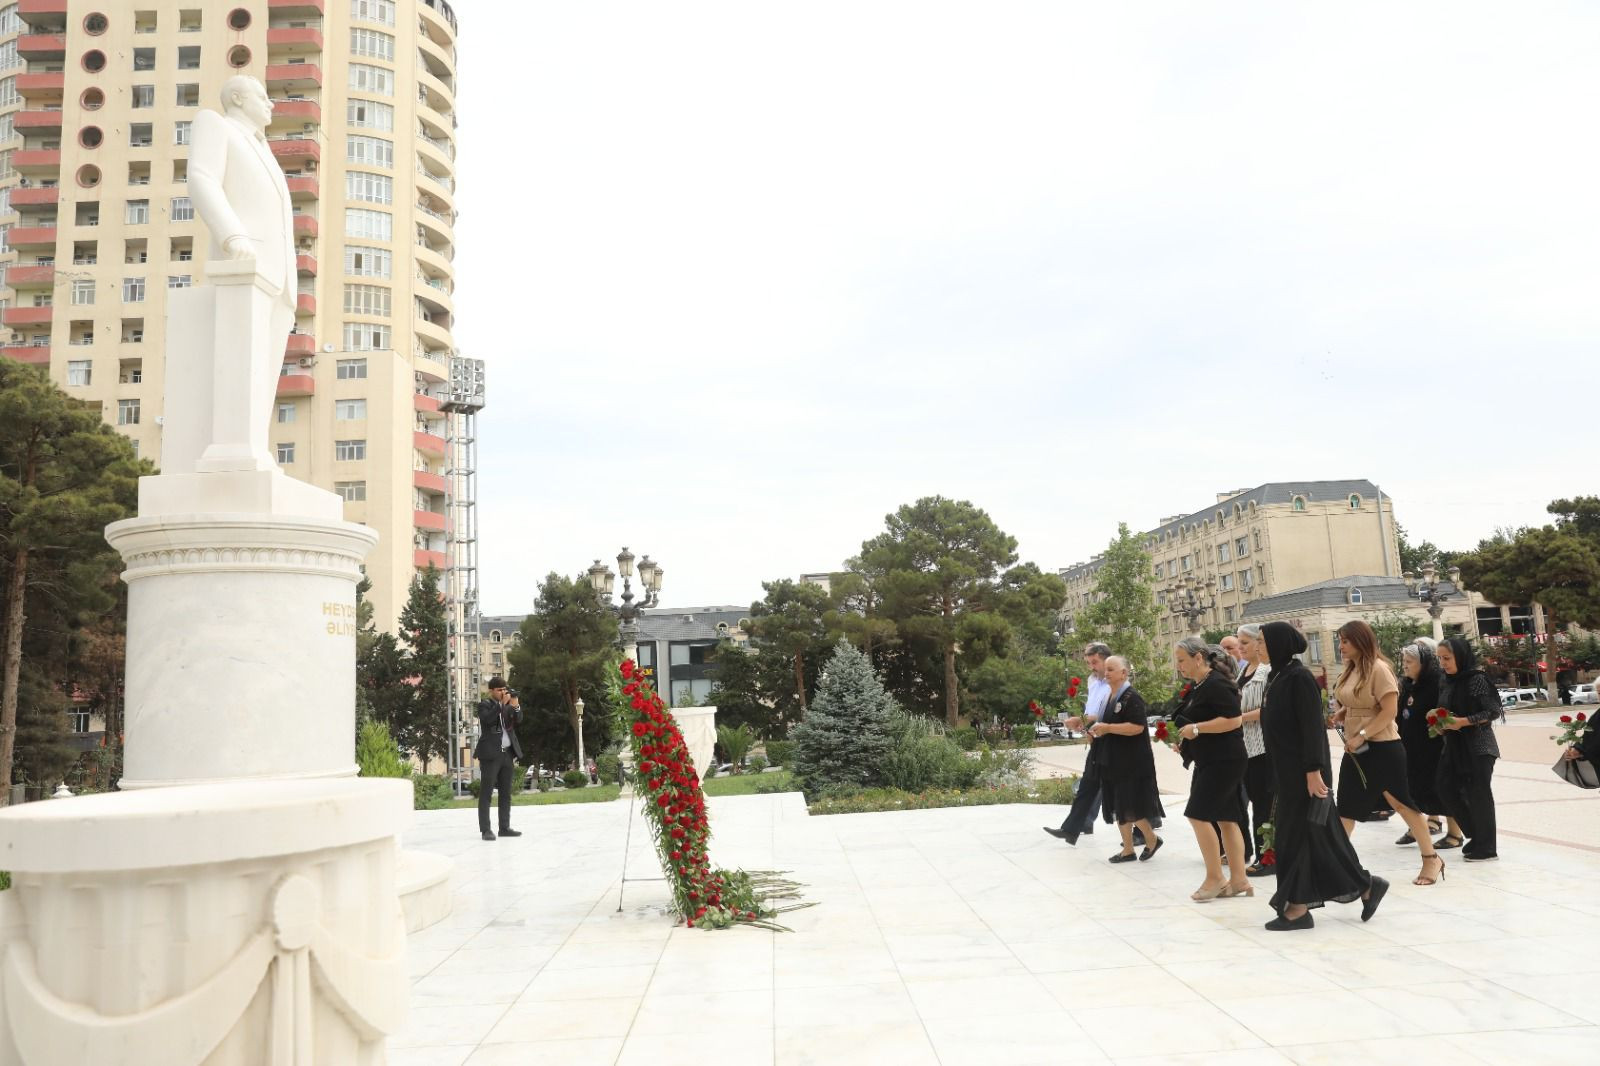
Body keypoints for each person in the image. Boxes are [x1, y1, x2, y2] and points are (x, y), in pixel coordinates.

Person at [1258, 621, 1388, 930]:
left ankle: (1298, 909)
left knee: (1298, 837)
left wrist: (1313, 772)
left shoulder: (1299, 678)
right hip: (1287, 772)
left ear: (1278, 644)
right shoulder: (1275, 676)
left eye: (1262, 641)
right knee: (1319, 836)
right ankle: (1366, 886)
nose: (1258, 646)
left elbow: (1312, 729)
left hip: (1305, 773)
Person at [1329, 621, 1444, 887]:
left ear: (1360, 641)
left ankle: (1431, 858)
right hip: (1357, 747)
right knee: (1346, 808)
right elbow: (1358, 700)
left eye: (1345, 641)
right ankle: (1334, 863)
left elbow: (1389, 711)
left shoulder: (1380, 669)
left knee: (1403, 804)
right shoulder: (1351, 669)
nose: (1341, 646)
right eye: (1340, 640)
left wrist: (1362, 735)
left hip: (1382, 746)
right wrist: (1343, 713)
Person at [1171, 637, 1250, 900]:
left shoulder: (1215, 683)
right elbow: (1203, 722)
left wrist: (1197, 729)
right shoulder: (1200, 685)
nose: (1179, 665)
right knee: (1226, 818)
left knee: (1198, 814)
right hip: (1213, 758)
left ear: (1198, 657)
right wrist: (1187, 738)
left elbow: (1234, 719)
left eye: (1182, 660)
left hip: (1223, 760)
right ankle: (1239, 880)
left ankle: (1215, 877)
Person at [1047, 643, 1145, 845]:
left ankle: (1145, 830)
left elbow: (1109, 714)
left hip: (1114, 742)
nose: (1092, 667)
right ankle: (1072, 829)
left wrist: (1084, 721)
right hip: (1098, 739)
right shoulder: (1093, 681)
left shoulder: (1118, 687)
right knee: (1089, 785)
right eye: (1089, 663)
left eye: (1095, 662)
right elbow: (1092, 709)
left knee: (1120, 790)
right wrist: (1083, 724)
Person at [1088, 656, 1164, 862]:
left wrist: (1108, 728)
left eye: (1111, 669)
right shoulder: (1107, 697)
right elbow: (1104, 725)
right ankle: (1128, 849)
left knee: (1130, 805)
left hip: (1132, 761)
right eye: (1106, 669)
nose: (1107, 673)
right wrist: (1095, 731)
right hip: (1112, 760)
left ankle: (1151, 838)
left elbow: (1137, 727)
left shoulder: (1132, 697)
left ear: (1124, 673)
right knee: (1116, 805)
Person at [1435, 637, 1502, 861]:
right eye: (1440, 658)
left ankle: (1487, 847)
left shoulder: (1477, 679)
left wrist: (1463, 722)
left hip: (1479, 746)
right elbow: (1443, 709)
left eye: (1447, 658)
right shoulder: (1446, 681)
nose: (1443, 663)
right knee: (1445, 787)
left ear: (1461, 657)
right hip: (1453, 745)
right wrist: (1439, 722)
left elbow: (1492, 711)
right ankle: (1476, 835)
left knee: (1479, 795)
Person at [1397, 640, 1462, 849]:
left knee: (1443, 790)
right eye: (1404, 661)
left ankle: (1455, 834)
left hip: (1434, 748)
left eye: (1409, 662)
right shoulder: (1408, 684)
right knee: (1413, 789)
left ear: (1423, 664)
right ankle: (1419, 827)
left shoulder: (1436, 682)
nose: (1405, 666)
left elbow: (1444, 711)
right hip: (1412, 748)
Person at [1235, 625, 1275, 877]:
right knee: (1254, 804)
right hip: (1245, 747)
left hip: (1262, 745)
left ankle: (1268, 856)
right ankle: (1260, 854)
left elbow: (1268, 709)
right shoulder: (1243, 671)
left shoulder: (1267, 671)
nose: (1241, 647)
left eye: (1245, 643)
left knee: (1264, 804)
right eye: (1239, 642)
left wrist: (1239, 718)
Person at [475, 677, 525, 841]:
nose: (503, 692)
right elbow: (487, 719)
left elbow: (518, 720)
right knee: (486, 793)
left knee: (505, 793)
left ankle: (504, 827)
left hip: (507, 754)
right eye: (499, 690)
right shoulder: (485, 705)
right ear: (491, 691)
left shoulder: (507, 705)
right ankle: (486, 830)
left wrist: (516, 706)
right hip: (490, 754)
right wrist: (501, 705)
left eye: (505, 690)